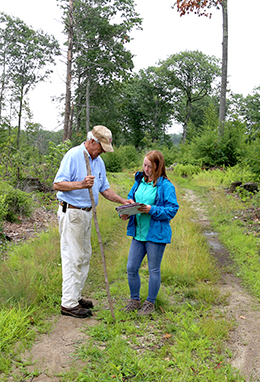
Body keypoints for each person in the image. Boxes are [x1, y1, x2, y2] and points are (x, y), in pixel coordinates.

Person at [53, 125, 132, 319]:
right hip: (72, 212)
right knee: (73, 257)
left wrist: (123, 201)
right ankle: (68, 304)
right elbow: (57, 184)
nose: (103, 152)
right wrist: (81, 184)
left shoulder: (98, 162)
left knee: (84, 256)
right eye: (101, 147)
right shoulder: (74, 155)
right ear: (92, 142)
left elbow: (104, 188)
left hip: (87, 213)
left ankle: (75, 296)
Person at [120, 150, 179, 316]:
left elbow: (172, 210)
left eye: (149, 166)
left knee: (154, 269)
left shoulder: (166, 186)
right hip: (138, 233)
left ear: (157, 166)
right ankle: (135, 300)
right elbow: (130, 199)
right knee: (131, 267)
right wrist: (125, 212)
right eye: (144, 165)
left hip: (156, 235)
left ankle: (150, 303)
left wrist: (151, 209)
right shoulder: (139, 182)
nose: (145, 169)